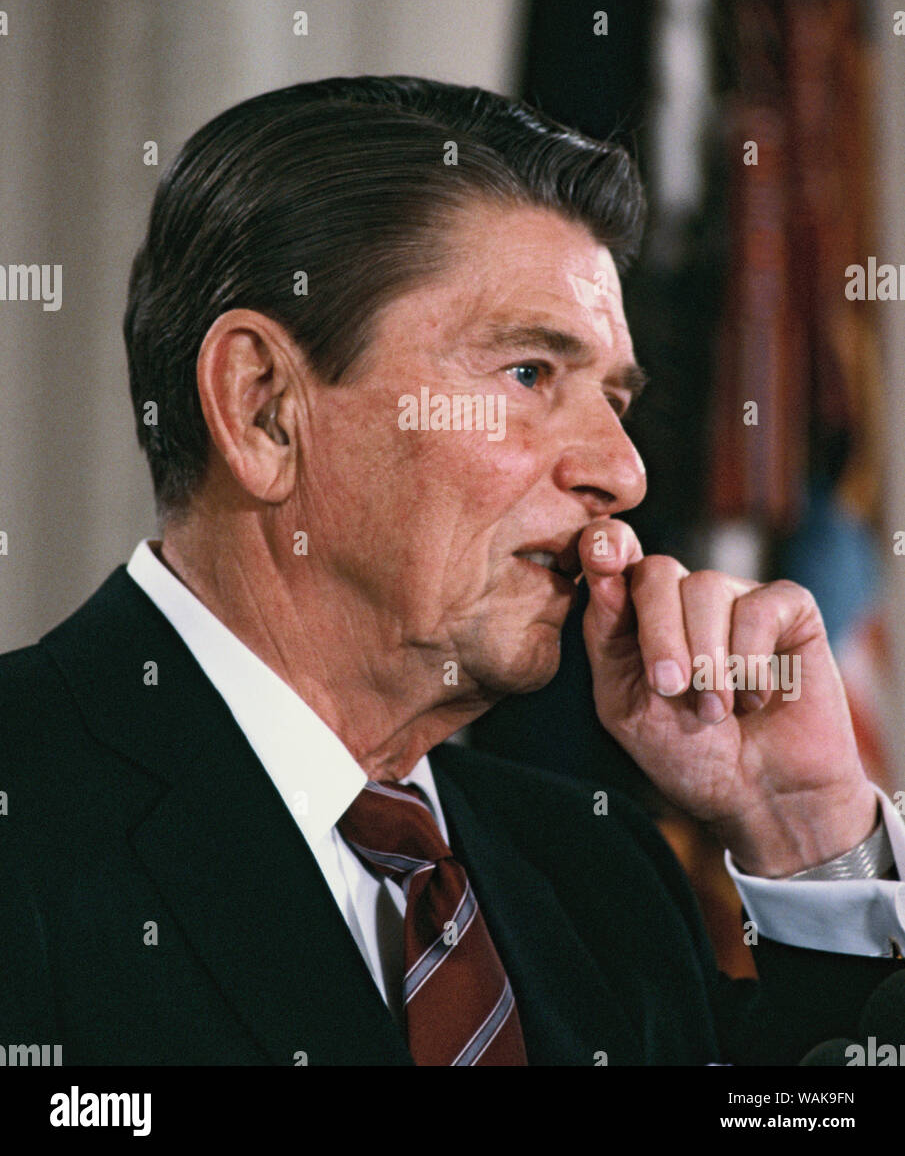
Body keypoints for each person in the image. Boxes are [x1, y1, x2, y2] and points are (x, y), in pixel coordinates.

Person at [1, 75, 903, 1066]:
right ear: (263, 408)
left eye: (613, 397)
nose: (623, 468)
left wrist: (807, 831)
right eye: (527, 373)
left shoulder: (597, 876)